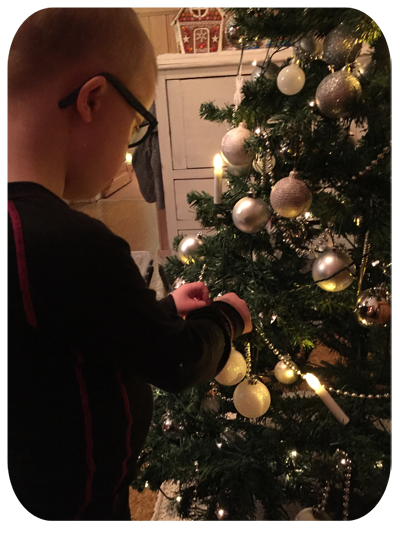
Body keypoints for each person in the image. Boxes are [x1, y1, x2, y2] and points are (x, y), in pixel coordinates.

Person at [7, 8, 252, 521]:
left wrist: (161, 309)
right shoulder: (72, 243)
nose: (128, 145)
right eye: (136, 123)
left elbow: (69, 335)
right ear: (93, 99)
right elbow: (176, 361)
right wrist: (227, 317)